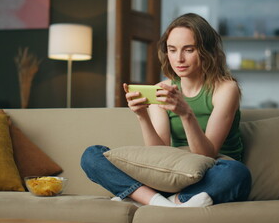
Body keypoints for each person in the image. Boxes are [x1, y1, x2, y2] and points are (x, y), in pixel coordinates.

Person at [81, 13, 251, 207]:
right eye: (172, 50)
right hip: (173, 174)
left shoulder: (225, 89)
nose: (179, 58)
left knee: (237, 173)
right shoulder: (162, 89)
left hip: (213, 171)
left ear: (207, 51)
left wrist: (186, 114)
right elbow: (158, 154)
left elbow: (207, 155)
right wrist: (142, 115)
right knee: (92, 156)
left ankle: (154, 200)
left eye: (189, 50)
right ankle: (165, 202)